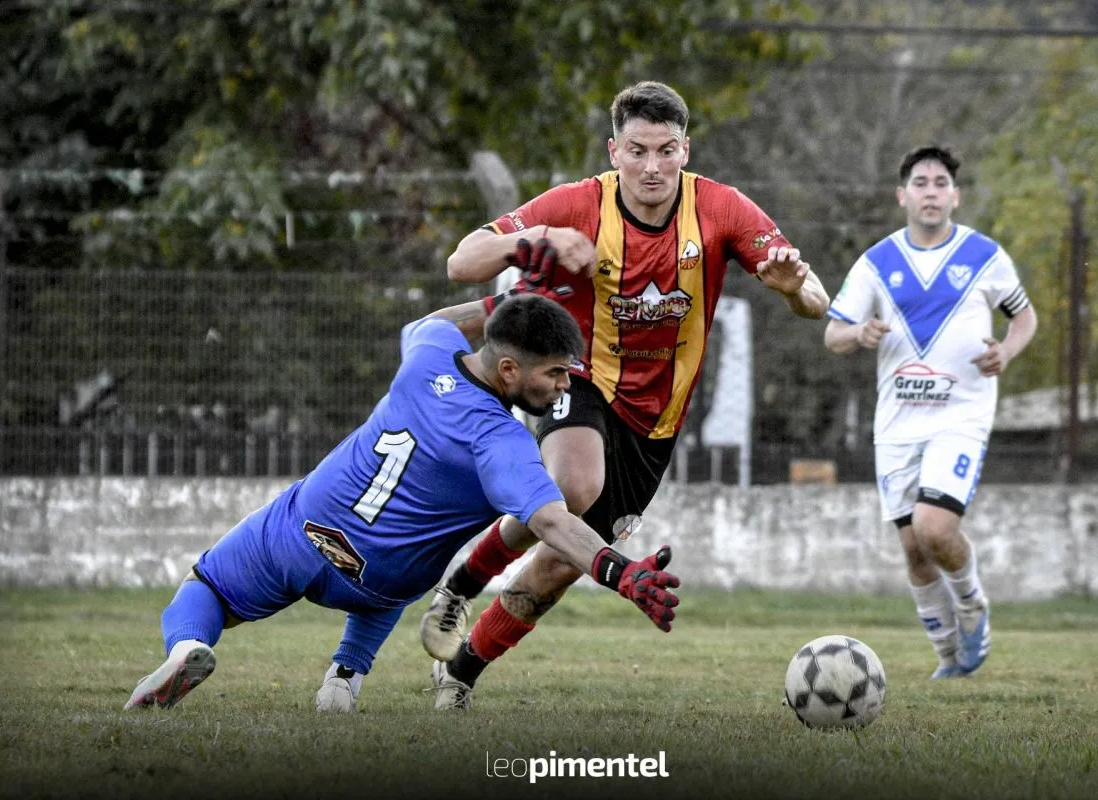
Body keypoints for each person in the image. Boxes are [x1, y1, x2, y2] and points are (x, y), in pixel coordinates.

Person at [418, 80, 830, 710]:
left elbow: (817, 303)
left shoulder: (722, 210)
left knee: (561, 563)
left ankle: (464, 667)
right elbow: (462, 261)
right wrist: (535, 243)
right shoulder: (580, 204)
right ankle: (461, 582)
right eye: (637, 150)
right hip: (579, 377)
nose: (652, 167)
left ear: (685, 150)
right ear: (614, 151)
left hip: (656, 420)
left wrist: (792, 288)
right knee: (572, 491)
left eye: (666, 150)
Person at [123, 287, 681, 712]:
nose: (565, 386)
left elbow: (429, 321)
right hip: (384, 580)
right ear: (510, 370)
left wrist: (499, 301)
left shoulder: (428, 354)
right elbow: (555, 524)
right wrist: (623, 574)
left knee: (207, 589)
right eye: (556, 373)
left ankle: (185, 649)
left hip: (307, 531)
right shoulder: (502, 442)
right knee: (395, 572)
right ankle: (344, 678)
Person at [823, 145, 1038, 679]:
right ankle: (950, 659)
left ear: (955, 196)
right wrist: (859, 332)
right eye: (921, 183)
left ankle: (972, 606)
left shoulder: (985, 256)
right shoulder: (877, 262)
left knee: (934, 528)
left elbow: (1025, 317)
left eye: (941, 183)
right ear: (903, 196)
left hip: (960, 415)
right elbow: (833, 334)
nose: (931, 192)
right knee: (914, 550)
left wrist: (1006, 351)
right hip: (898, 424)